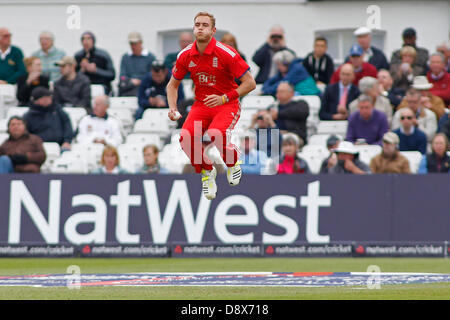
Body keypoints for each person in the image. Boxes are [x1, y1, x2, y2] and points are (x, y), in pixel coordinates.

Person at [166, 11, 256, 200]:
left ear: (213, 30)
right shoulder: (185, 55)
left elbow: (250, 83)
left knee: (217, 133)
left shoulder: (226, 53)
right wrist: (172, 108)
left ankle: (232, 163)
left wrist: (224, 98)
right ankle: (207, 171)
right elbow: (172, 85)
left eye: (205, 25)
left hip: (226, 103)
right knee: (185, 138)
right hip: (202, 104)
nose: (200, 28)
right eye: (197, 24)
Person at [118, 31, 156, 96]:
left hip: (145, 89)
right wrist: (131, 81)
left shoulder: (150, 57)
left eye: (135, 43)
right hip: (128, 89)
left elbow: (152, 76)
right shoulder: (125, 57)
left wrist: (140, 81)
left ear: (141, 43)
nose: (133, 46)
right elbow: (122, 77)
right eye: (131, 43)